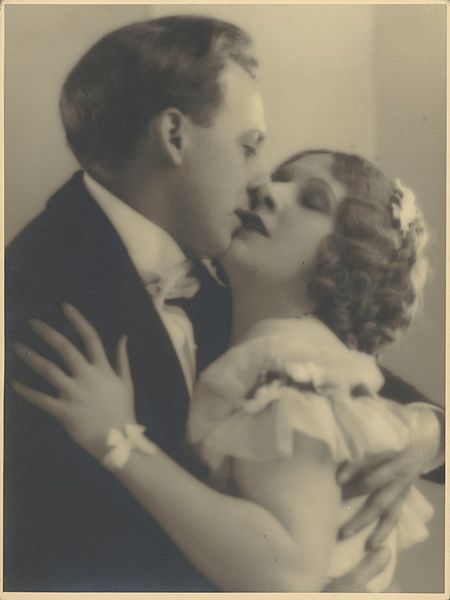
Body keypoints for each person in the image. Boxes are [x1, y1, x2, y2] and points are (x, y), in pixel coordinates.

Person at [4, 14, 443, 592]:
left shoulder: (235, 274)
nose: (261, 180)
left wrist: (426, 433)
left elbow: (335, 377)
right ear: (175, 136)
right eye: (251, 146)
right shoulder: (34, 289)